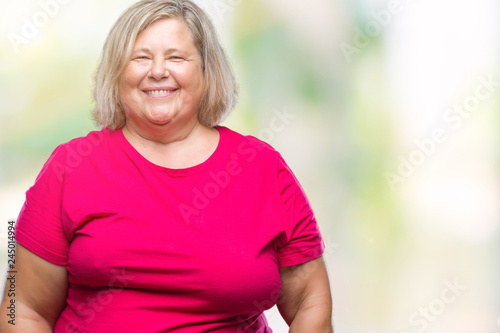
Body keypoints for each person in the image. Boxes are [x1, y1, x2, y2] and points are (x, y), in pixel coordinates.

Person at [0, 0, 333, 332]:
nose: (157, 71)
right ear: (117, 73)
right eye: (141, 57)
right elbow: (22, 307)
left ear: (206, 70)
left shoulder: (262, 167)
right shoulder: (69, 167)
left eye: (176, 57)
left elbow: (310, 300)